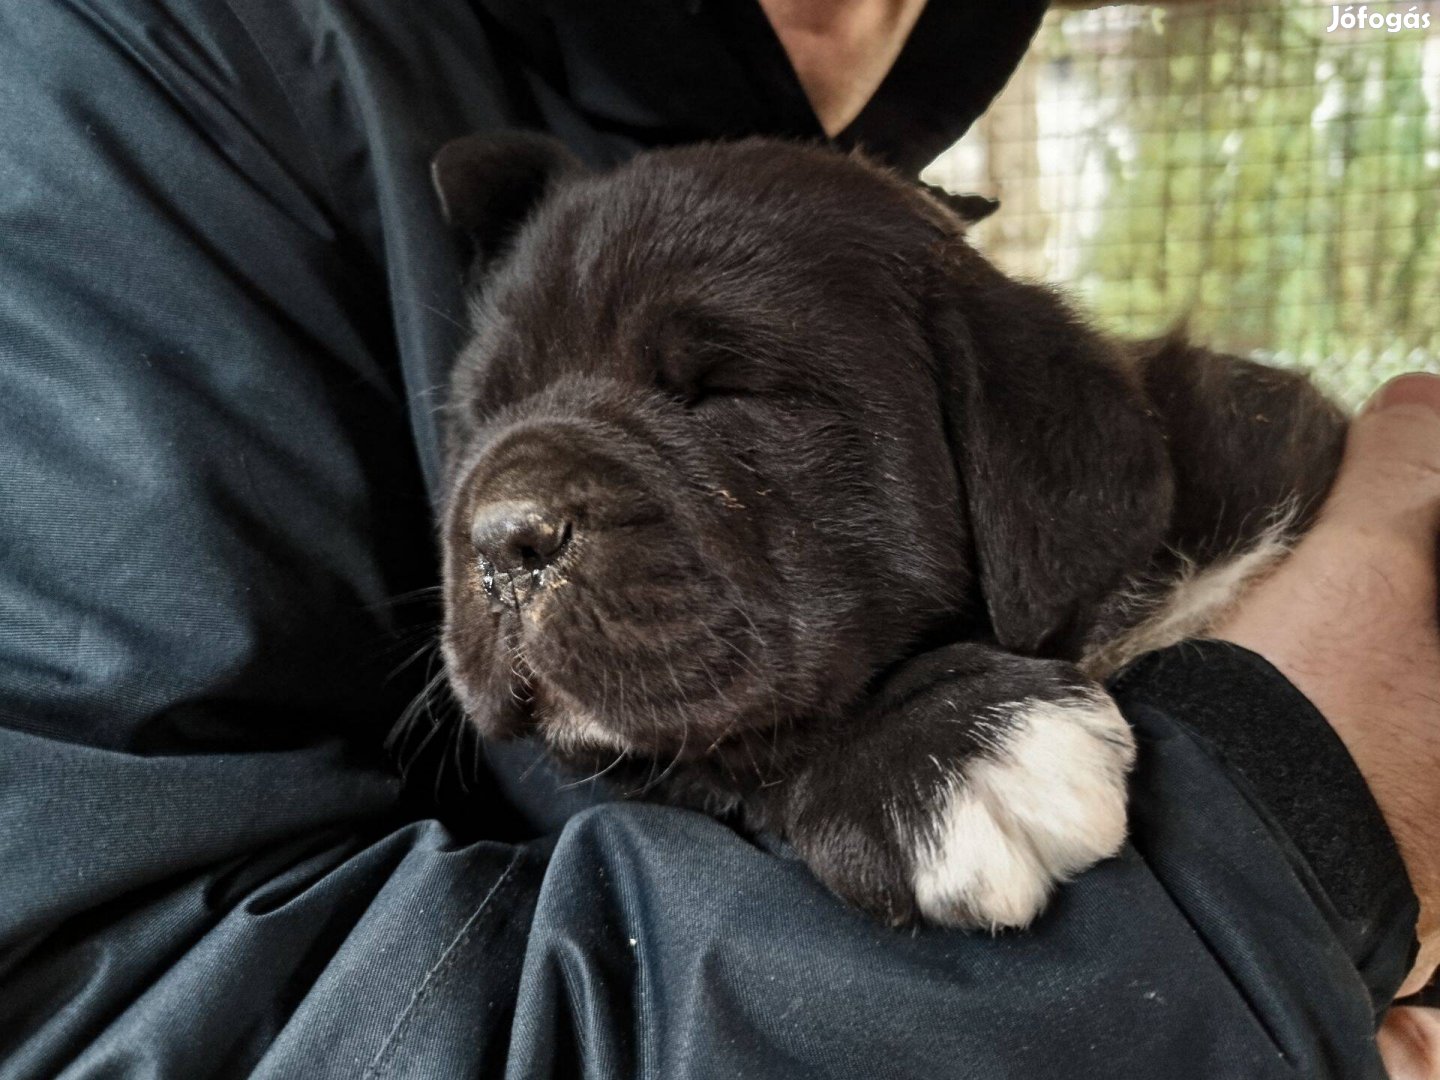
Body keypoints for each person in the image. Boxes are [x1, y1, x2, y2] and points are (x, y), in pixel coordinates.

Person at [0, 1, 1433, 1076]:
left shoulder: (984, 340)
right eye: (486, 428)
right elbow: (133, 997)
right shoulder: (154, 67)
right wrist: (1279, 839)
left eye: (721, 392)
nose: (502, 517)